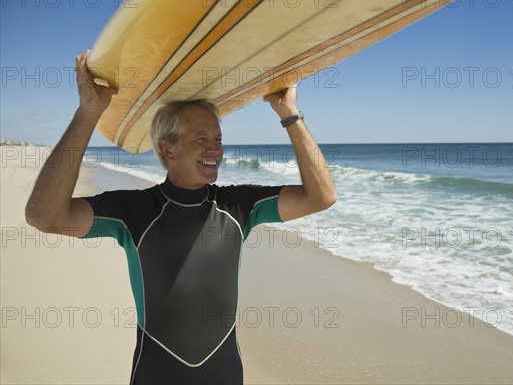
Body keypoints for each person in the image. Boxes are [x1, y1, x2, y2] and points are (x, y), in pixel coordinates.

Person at [25, 50, 337, 384]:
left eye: (218, 138)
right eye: (201, 138)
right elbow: (45, 216)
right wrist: (88, 113)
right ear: (167, 149)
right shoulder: (134, 211)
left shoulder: (238, 205)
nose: (214, 148)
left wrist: (289, 113)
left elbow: (321, 196)